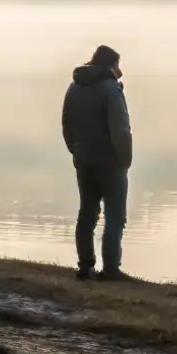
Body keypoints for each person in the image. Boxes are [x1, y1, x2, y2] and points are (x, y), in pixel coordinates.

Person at [61, 44, 132, 281]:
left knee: (87, 213)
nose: (120, 71)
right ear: (110, 65)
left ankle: (85, 266)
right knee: (115, 216)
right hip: (111, 162)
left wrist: (76, 151)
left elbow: (66, 125)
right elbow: (120, 130)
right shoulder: (111, 90)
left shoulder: (74, 87)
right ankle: (111, 268)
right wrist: (125, 159)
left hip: (84, 161)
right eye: (117, 66)